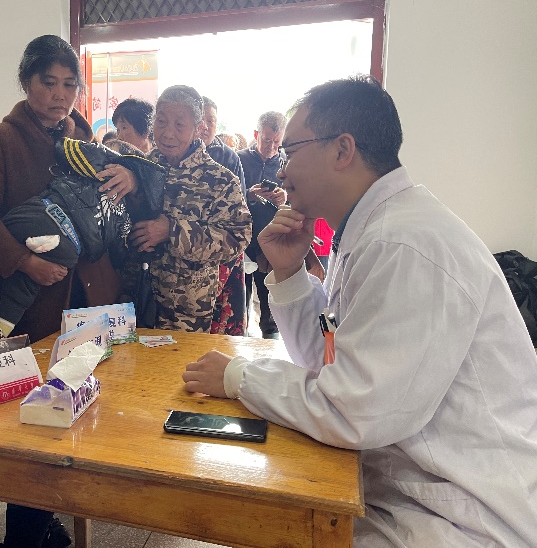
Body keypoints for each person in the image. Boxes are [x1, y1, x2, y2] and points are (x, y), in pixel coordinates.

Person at [183, 75, 537, 546]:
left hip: (467, 517)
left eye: (291, 152)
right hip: (406, 489)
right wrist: (290, 273)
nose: (282, 173)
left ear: (342, 150)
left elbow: (352, 409)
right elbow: (329, 354)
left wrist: (238, 377)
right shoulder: (367, 233)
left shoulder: (404, 244)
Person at [0, 35, 135, 346]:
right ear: (26, 83)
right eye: (49, 83)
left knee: (100, 373)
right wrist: (23, 261)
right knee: (39, 374)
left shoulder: (89, 144)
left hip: (93, 296)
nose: (60, 95)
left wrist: (130, 179)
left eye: (69, 85)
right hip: (33, 299)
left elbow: (119, 207)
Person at [128, 85, 251, 332]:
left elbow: (237, 238)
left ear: (198, 128)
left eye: (179, 125)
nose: (168, 133)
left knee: (182, 359)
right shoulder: (141, 167)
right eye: (161, 122)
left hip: (186, 312)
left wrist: (172, 232)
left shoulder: (220, 180)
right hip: (136, 299)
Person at [237, 111, 289, 338]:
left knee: (271, 309)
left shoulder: (287, 162)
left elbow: (299, 201)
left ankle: (271, 345)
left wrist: (285, 197)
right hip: (242, 243)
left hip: (272, 244)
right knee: (240, 304)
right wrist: (248, 194)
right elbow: (226, 198)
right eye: (267, 140)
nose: (272, 147)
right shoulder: (239, 159)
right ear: (256, 134)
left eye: (277, 143)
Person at [199, 96, 247, 336]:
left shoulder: (228, 157)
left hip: (224, 250)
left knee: (224, 323)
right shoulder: (172, 155)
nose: (206, 126)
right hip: (191, 253)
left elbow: (241, 211)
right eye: (202, 120)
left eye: (212, 121)